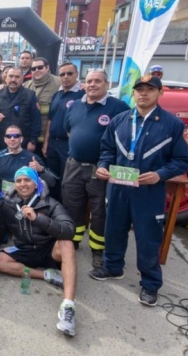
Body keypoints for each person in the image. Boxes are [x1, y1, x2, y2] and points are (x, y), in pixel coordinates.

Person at [90, 75, 188, 306]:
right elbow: (107, 150)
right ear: (133, 93)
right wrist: (104, 166)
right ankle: (113, 267)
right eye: (139, 89)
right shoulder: (119, 121)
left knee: (148, 238)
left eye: (149, 89)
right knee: (114, 229)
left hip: (149, 190)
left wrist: (160, 174)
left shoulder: (172, 125)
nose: (143, 93)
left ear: (160, 93)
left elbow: (182, 160)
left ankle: (150, 284)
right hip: (117, 187)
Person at [0, 166, 77, 336]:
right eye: (18, 181)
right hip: (25, 249)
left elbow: (69, 230)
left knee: (67, 244)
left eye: (27, 180)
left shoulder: (50, 203)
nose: (23, 184)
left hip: (48, 249)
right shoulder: (6, 204)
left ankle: (68, 307)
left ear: (36, 183)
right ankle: (48, 275)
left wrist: (39, 219)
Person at [62, 69, 129, 268]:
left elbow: (125, 137)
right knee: (72, 205)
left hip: (100, 169)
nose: (92, 84)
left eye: (97, 81)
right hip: (74, 165)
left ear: (106, 84)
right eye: (89, 81)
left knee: (100, 210)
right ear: (84, 84)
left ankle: (97, 250)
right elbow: (69, 130)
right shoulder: (74, 106)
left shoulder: (118, 107)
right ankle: (73, 240)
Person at [0, 125, 52, 228]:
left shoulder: (32, 158)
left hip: (25, 197)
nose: (12, 139)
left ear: (21, 139)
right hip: (3, 197)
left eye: (16, 136)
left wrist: (40, 169)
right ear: (5, 139)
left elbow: (51, 182)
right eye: (9, 136)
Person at [42, 62, 85, 201]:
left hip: (68, 145)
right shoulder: (57, 95)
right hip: (53, 144)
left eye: (69, 73)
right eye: (62, 74)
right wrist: (46, 143)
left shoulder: (82, 94)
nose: (65, 77)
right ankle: (53, 207)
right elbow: (50, 120)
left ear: (77, 75)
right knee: (52, 178)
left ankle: (65, 211)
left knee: (67, 181)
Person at [0, 66, 40, 153]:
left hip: (22, 143)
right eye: (11, 76)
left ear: (22, 79)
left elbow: (36, 120)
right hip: (0, 142)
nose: (13, 79)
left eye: (17, 77)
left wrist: (33, 141)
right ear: (6, 78)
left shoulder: (30, 95)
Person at [23, 58, 61, 158]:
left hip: (49, 139)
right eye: (33, 68)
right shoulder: (26, 85)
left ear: (47, 68)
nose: (36, 70)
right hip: (31, 138)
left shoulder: (59, 83)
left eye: (40, 67)